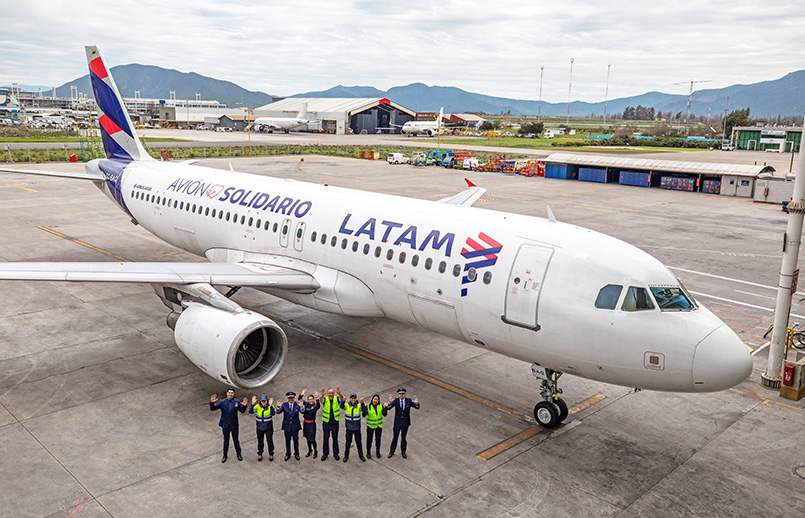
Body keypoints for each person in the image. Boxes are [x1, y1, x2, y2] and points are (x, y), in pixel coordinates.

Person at [209, 389, 247, 463]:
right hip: (225, 424)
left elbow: (242, 411)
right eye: (229, 393)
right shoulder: (222, 402)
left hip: (234, 424)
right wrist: (212, 403)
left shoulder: (236, 402)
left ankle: (239, 454)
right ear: (226, 393)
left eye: (232, 393)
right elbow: (213, 408)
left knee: (236, 440)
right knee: (226, 440)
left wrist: (244, 406)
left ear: (233, 394)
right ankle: (225, 455)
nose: (230, 394)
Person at [385, 387, 420, 459]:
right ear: (398, 394)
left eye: (403, 394)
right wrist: (389, 403)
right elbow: (389, 408)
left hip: (405, 423)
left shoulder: (408, 401)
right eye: (400, 394)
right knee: (395, 437)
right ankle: (392, 451)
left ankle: (403, 451)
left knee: (403, 438)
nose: (401, 395)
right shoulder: (395, 401)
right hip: (397, 422)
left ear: (405, 394)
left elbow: (416, 407)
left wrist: (417, 403)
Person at [319, 386, 344, 461]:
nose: (331, 394)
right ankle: (325, 454)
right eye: (329, 393)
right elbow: (321, 401)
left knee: (335, 438)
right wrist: (322, 395)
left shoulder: (336, 399)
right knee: (325, 439)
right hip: (326, 423)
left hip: (335, 422)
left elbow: (341, 399)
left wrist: (339, 393)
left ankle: (336, 453)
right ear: (327, 394)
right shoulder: (325, 399)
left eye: (332, 393)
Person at [276, 391, 302, 461]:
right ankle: (288, 453)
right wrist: (278, 407)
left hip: (295, 426)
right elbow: (278, 412)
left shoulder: (297, 404)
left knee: (296, 440)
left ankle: (296, 453)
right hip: (287, 426)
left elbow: (302, 411)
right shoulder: (284, 405)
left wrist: (302, 407)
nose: (290, 399)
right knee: (287, 441)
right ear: (287, 398)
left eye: (292, 398)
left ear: (294, 398)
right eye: (289, 398)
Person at [249, 394, 276, 461]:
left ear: (267, 401)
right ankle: (260, 453)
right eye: (262, 401)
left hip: (268, 428)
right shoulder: (257, 406)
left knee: (270, 441)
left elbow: (273, 413)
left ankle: (271, 454)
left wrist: (270, 406)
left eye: (264, 401)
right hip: (260, 428)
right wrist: (252, 404)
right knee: (260, 442)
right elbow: (250, 411)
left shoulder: (270, 407)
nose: (263, 402)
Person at [341, 393, 367, 462]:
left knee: (358, 442)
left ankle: (361, 455)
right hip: (349, 428)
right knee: (348, 443)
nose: (353, 399)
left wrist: (362, 403)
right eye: (352, 398)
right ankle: (346, 456)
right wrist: (343, 400)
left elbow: (363, 410)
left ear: (356, 399)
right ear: (350, 399)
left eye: (354, 398)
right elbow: (341, 406)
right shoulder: (347, 405)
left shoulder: (358, 406)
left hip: (356, 428)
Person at [299, 389, 321, 458]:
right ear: (308, 400)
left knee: (312, 439)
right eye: (309, 399)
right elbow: (300, 399)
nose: (311, 400)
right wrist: (302, 394)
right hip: (306, 424)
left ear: (313, 400)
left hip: (312, 424)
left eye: (312, 399)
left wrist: (317, 398)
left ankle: (315, 451)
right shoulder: (306, 404)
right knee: (308, 438)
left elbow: (318, 405)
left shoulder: (315, 406)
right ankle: (310, 450)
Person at [365, 393, 387, 459]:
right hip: (370, 426)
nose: (375, 401)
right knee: (369, 439)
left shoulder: (380, 406)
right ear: (372, 400)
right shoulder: (368, 406)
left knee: (378, 439)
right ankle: (368, 452)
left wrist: (386, 407)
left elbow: (384, 414)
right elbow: (364, 414)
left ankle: (378, 451)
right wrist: (365, 407)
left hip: (378, 426)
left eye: (377, 399)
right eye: (374, 399)